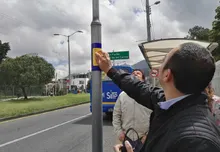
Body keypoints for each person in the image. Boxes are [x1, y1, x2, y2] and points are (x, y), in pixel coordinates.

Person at [95, 42, 220, 152]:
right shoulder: (173, 102)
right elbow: (140, 89)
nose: (158, 66)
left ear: (167, 75)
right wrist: (110, 70)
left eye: (163, 61)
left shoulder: (196, 142)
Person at [112, 69, 152, 144]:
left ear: (143, 79)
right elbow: (116, 115)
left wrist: (148, 135)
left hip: (144, 139)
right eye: (133, 73)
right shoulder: (122, 96)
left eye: (138, 73)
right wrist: (119, 132)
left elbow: (156, 117)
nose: (135, 74)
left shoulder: (149, 95)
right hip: (126, 137)